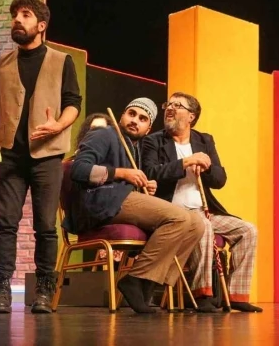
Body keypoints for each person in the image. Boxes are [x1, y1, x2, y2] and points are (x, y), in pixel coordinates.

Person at [0, 0, 82, 314]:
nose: (17, 20)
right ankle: (2, 288)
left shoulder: (61, 61)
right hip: (11, 154)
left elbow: (73, 103)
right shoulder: (2, 62)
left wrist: (57, 125)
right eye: (14, 15)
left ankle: (44, 290)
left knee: (46, 226)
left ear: (41, 25)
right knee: (5, 223)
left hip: (47, 155)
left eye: (25, 15)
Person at [62, 98, 205, 313]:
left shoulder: (134, 147)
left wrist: (144, 185)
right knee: (180, 217)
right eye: (131, 114)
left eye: (142, 118)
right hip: (99, 202)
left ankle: (149, 284)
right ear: (122, 116)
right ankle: (137, 279)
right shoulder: (104, 134)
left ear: (148, 128)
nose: (135, 121)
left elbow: (128, 183)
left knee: (196, 224)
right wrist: (121, 173)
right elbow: (79, 170)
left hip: (119, 200)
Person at [141, 92, 262, 313]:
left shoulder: (204, 140)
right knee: (202, 225)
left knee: (248, 231)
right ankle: (202, 293)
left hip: (203, 210)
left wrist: (206, 167)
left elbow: (220, 180)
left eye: (178, 105)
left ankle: (236, 294)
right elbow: (150, 172)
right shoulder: (154, 141)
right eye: (169, 104)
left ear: (191, 116)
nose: (170, 108)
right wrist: (186, 162)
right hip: (172, 213)